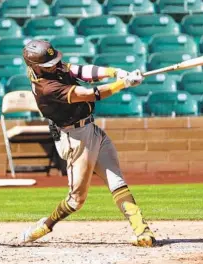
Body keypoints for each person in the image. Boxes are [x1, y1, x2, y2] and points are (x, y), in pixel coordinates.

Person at [20, 40, 156, 247]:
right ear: (34, 67)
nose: (56, 65)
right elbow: (90, 95)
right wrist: (123, 84)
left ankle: (142, 230)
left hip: (92, 130)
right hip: (75, 140)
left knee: (116, 180)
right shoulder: (46, 88)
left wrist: (114, 72)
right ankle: (44, 227)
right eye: (50, 64)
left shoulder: (52, 68)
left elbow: (81, 71)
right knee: (76, 200)